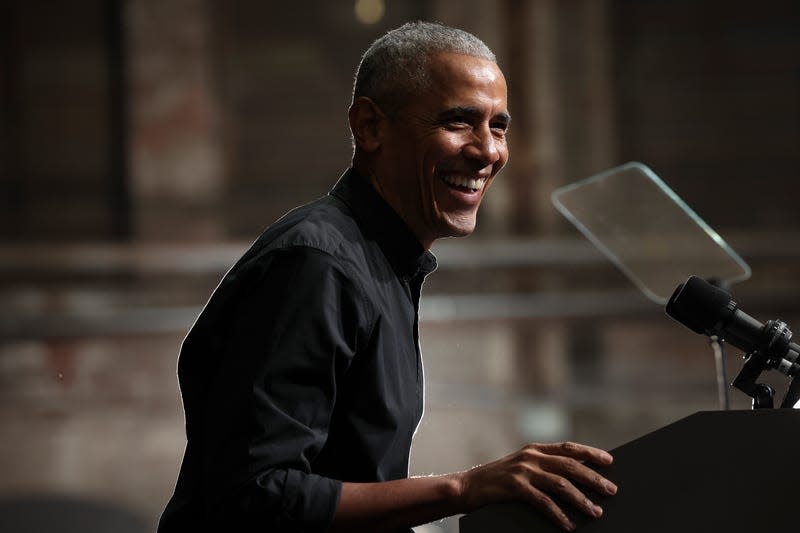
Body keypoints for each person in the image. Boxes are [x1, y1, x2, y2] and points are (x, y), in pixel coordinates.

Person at [158, 21, 617, 533]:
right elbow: (255, 498)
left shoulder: (379, 261)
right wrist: (463, 489)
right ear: (370, 127)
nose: (488, 151)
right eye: (459, 121)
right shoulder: (317, 264)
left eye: (499, 126)